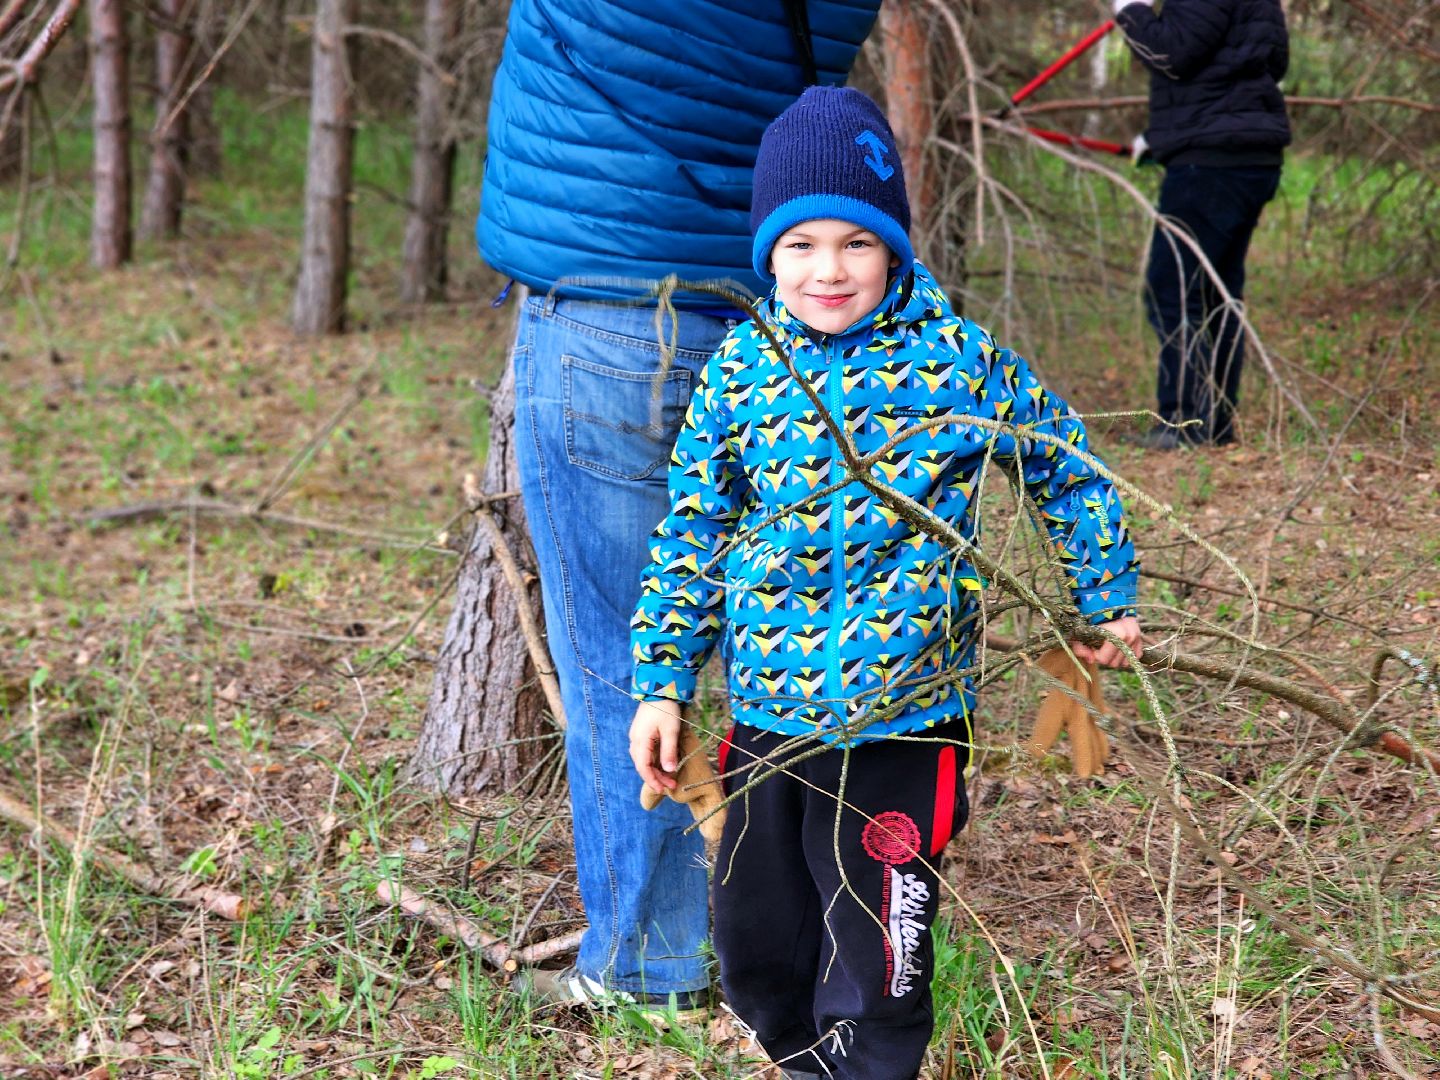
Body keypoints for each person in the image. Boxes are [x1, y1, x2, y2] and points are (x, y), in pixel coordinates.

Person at [627, 87, 1143, 1080]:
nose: (828, 270)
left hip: (907, 714)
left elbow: (1067, 465)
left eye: (855, 243)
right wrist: (662, 682)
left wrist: (1105, 596)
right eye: (800, 245)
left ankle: (868, 1066)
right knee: (755, 940)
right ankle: (798, 1056)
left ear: (894, 247)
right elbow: (693, 528)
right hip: (771, 714)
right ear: (768, 253)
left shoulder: (956, 360)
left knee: (878, 957)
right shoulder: (743, 370)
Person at [477, 0, 892, 1012]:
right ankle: (815, 949)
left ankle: (650, 967)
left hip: (606, 305)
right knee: (796, 653)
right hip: (776, 326)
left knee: (619, 662)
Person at [1115, 0, 1291, 449]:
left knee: (1174, 288)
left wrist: (1130, 11)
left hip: (1212, 164)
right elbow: (1259, 63)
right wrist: (1165, 136)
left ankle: (1183, 424)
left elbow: (1171, 53)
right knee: (1216, 293)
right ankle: (1215, 424)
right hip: (1248, 158)